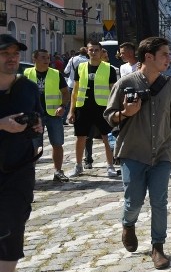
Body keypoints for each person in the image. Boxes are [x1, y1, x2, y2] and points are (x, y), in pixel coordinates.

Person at [104, 37, 171, 269]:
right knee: (134, 201)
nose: (168, 59)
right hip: (133, 152)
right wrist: (125, 112)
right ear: (148, 57)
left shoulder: (170, 85)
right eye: (164, 54)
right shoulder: (124, 83)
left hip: (161, 152)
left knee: (159, 201)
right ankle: (128, 224)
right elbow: (109, 117)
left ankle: (158, 247)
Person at [0, 34, 43, 272]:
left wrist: (36, 125)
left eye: (15, 53)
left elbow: (36, 116)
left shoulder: (28, 87)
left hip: (19, 170)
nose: (12, 58)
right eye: (5, 53)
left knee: (13, 228)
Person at [68, 39, 118, 178]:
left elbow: (113, 90)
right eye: (91, 50)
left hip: (102, 108)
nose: (94, 52)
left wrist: (113, 110)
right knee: (80, 137)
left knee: (107, 137)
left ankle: (110, 166)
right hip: (83, 107)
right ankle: (78, 166)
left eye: (97, 50)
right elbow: (75, 90)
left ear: (101, 52)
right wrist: (71, 111)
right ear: (87, 51)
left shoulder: (109, 69)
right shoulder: (81, 67)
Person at [24, 49, 71, 182]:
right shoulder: (27, 73)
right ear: (35, 59)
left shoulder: (56, 74)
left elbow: (65, 92)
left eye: (48, 58)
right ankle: (30, 174)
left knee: (57, 143)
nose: (47, 60)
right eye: (43, 57)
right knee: (34, 146)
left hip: (53, 114)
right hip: (34, 116)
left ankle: (58, 171)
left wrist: (63, 106)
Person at [62, 47, 88, 125]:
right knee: (81, 103)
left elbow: (66, 71)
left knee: (68, 102)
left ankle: (64, 119)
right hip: (82, 85)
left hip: (71, 83)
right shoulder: (87, 61)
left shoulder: (72, 59)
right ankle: (78, 118)